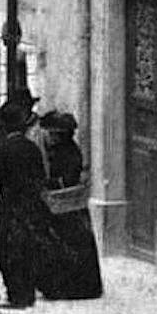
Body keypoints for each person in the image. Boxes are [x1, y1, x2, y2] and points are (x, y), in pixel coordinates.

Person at [0, 92, 53, 309]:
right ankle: (28, 292)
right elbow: (41, 176)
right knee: (28, 247)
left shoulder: (5, 149)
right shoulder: (31, 148)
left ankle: (16, 295)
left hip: (11, 207)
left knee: (9, 250)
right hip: (30, 206)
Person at [38, 110, 105, 300]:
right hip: (63, 207)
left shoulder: (70, 153)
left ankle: (75, 288)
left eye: (52, 134)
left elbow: (68, 179)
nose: (49, 138)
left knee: (70, 247)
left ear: (61, 135)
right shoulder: (58, 150)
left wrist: (48, 183)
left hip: (69, 208)